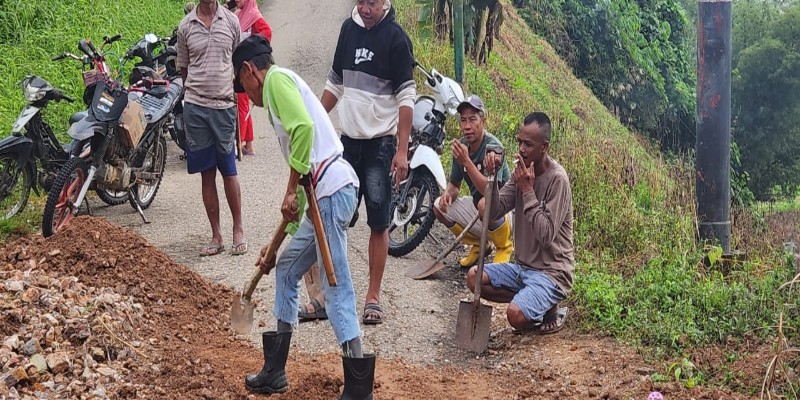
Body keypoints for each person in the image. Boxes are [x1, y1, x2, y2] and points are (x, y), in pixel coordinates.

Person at [233, 35, 374, 398]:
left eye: (243, 86)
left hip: (330, 190)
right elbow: (300, 190)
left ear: (250, 71)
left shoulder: (277, 80)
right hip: (319, 195)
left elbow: (305, 131)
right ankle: (275, 371)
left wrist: (288, 189)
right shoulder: (283, 87)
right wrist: (275, 243)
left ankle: (359, 386)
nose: (247, 95)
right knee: (286, 269)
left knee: (336, 283)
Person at [299, 0, 415, 326]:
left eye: (372, 3)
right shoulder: (348, 30)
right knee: (333, 216)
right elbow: (335, 84)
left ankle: (372, 297)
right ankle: (325, 295)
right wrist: (313, 122)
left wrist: (402, 150)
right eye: (361, 1)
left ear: (386, 3)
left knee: (378, 223)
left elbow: (406, 98)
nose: (365, 8)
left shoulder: (396, 39)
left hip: (381, 147)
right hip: (347, 143)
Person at [468, 112, 574, 334]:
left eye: (528, 144)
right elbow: (495, 210)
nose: (521, 149)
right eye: (520, 142)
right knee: (474, 278)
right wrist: (492, 177)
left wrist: (527, 191)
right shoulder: (520, 171)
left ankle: (548, 306)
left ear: (544, 147)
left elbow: (545, 236)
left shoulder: (558, 180)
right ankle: (535, 300)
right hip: (522, 268)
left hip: (551, 273)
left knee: (515, 316)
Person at [176, 0, 247, 256]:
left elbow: (239, 62)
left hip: (224, 106)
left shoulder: (230, 21)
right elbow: (184, 68)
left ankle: (238, 229)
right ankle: (216, 235)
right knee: (207, 172)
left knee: (229, 170)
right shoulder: (185, 26)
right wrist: (195, 94)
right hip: (196, 108)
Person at [433, 95, 513, 268]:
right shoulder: (462, 146)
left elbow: (490, 192)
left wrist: (467, 162)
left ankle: (504, 246)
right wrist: (448, 195)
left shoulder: (493, 147)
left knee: (485, 203)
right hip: (480, 209)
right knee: (438, 206)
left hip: (505, 212)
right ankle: (479, 245)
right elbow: (455, 186)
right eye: (463, 120)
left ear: (483, 121)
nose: (467, 126)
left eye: (472, 120)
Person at [234, 0, 272, 155]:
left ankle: (239, 143)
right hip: (241, 67)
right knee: (243, 103)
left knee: (241, 105)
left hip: (247, 70)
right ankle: (249, 144)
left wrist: (253, 53)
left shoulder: (254, 16)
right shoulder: (239, 14)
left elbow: (267, 33)